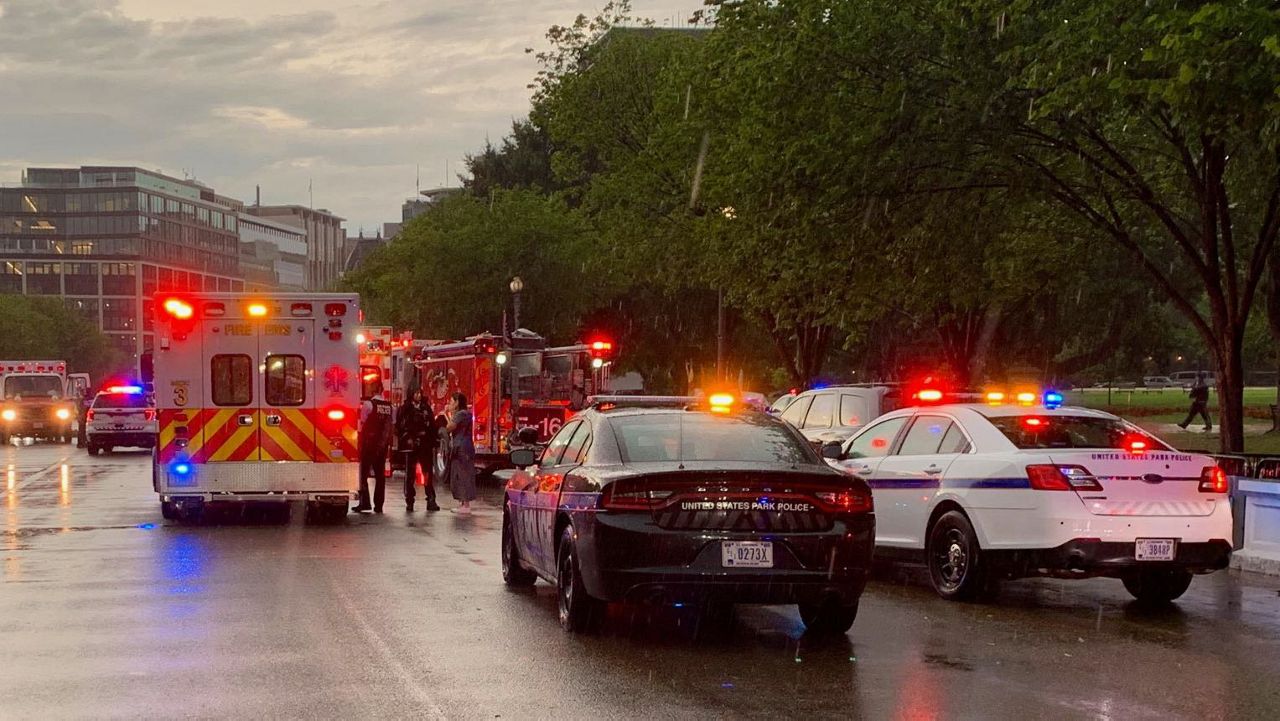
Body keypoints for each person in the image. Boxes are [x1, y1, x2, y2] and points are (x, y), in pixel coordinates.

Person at [397, 389, 440, 512]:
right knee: (410, 474)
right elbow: (400, 426)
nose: (418, 395)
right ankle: (410, 500)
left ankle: (431, 499)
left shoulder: (426, 408)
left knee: (427, 473)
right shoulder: (405, 408)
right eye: (416, 393)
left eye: (420, 393)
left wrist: (433, 440)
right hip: (411, 445)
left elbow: (432, 425)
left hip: (425, 444)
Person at [354, 380, 394, 513]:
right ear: (382, 390)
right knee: (380, 476)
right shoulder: (390, 406)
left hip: (369, 444)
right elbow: (391, 425)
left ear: (374, 389)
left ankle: (365, 503)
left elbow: (363, 424)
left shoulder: (368, 405)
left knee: (363, 474)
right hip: (382, 446)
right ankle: (379, 505)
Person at [445, 391, 477, 514]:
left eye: (451, 402)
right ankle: (463, 503)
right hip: (464, 447)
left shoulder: (461, 414)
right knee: (460, 474)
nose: (449, 404)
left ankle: (465, 503)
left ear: (457, 403)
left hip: (462, 448)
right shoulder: (465, 414)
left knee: (463, 475)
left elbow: (449, 427)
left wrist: (447, 414)